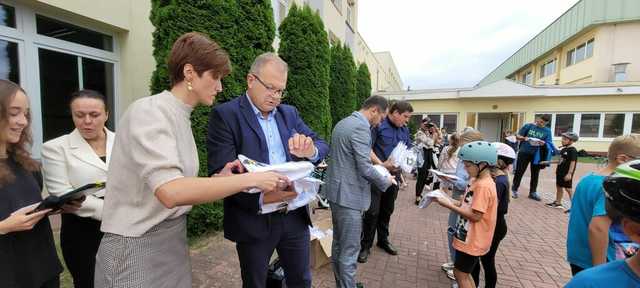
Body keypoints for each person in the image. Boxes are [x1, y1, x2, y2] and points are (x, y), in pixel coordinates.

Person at [95, 32, 287, 288]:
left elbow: (177, 182)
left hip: (170, 243)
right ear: (189, 73)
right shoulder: (150, 112)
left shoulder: (180, 116)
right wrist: (251, 180)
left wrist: (219, 180)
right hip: (136, 246)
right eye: (215, 77)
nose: (220, 87)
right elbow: (171, 192)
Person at [207, 52, 329, 288]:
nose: (275, 97)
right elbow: (220, 174)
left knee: (301, 279)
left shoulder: (289, 114)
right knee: (255, 282)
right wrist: (266, 196)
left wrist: (310, 150)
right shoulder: (226, 115)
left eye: (280, 91)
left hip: (294, 215)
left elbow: (323, 145)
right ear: (251, 80)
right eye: (270, 88)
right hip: (254, 218)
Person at [41, 90, 113, 288]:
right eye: (79, 115)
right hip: (82, 233)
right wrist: (115, 212)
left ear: (106, 114)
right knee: (89, 281)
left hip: (125, 227)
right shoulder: (55, 148)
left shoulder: (124, 141)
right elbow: (62, 194)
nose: (87, 121)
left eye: (95, 115)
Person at [324, 95, 395, 288]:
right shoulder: (361, 127)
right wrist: (386, 179)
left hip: (337, 192)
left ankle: (343, 284)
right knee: (350, 251)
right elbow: (364, 167)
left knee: (339, 244)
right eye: (381, 117)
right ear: (374, 110)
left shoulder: (344, 122)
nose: (380, 122)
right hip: (349, 197)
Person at [0, 79, 63, 288]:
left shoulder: (27, 164)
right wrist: (4, 227)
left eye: (25, 113)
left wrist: (52, 207)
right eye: (14, 112)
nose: (23, 121)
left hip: (43, 268)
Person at [566, 134, 640, 276]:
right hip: (601, 259)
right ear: (623, 159)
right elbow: (598, 228)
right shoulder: (611, 186)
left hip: (579, 255)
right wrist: (599, 271)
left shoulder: (588, 178)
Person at [433, 141, 498, 288]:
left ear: (482, 165)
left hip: (473, 239)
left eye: (468, 165)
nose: (465, 168)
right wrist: (447, 199)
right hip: (468, 236)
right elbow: (466, 204)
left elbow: (476, 216)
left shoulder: (483, 186)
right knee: (463, 273)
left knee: (460, 274)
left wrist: (448, 204)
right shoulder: (477, 180)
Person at [358, 101, 413, 263]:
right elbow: (367, 149)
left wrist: (409, 163)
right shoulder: (378, 126)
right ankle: (365, 245)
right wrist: (381, 165)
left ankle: (383, 240)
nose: (407, 120)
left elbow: (408, 150)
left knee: (387, 210)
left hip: (394, 177)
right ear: (395, 112)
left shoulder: (405, 130)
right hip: (377, 176)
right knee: (372, 211)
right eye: (405, 116)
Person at [440, 129, 484, 281]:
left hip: (466, 198)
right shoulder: (464, 156)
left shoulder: (480, 167)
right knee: (452, 229)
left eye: (465, 145)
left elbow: (471, 183)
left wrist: (453, 181)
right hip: (459, 195)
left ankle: (461, 268)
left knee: (460, 232)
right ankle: (455, 263)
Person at [471, 142, 515, 288]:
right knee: (479, 260)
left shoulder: (498, 182)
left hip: (494, 227)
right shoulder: (498, 179)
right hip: (495, 224)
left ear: (498, 160)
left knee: (486, 261)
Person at [511, 115, 552, 200]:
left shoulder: (547, 131)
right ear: (537, 119)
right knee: (519, 171)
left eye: (543, 123)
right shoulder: (528, 126)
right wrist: (525, 138)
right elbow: (518, 136)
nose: (540, 124)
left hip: (537, 155)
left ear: (546, 123)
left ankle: (533, 192)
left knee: (535, 173)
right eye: (540, 121)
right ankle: (514, 190)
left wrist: (543, 143)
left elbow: (548, 142)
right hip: (524, 152)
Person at [542, 131, 579, 210]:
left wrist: (569, 173)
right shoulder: (563, 149)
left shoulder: (572, 150)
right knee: (559, 186)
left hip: (566, 173)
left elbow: (573, 163)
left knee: (568, 189)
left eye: (565, 139)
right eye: (563, 139)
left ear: (571, 141)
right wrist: (548, 161)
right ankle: (558, 202)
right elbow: (560, 161)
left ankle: (575, 206)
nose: (562, 140)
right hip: (560, 172)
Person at [414, 119, 442, 204]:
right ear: (421, 124)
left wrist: (435, 129)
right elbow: (429, 143)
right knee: (421, 177)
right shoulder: (420, 133)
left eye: (428, 125)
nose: (427, 127)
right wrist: (433, 136)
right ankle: (417, 197)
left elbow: (439, 139)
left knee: (425, 176)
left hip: (429, 156)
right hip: (422, 156)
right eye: (425, 124)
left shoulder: (427, 132)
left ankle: (420, 193)